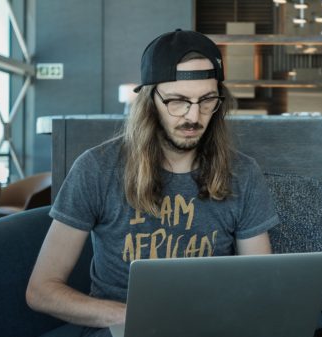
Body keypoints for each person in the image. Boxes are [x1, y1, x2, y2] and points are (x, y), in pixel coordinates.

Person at [26, 29, 279, 337]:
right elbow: (41, 290)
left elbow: (260, 284)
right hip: (125, 328)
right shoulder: (96, 168)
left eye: (207, 100)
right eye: (177, 101)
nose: (193, 116)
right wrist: (134, 316)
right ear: (150, 101)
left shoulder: (243, 174)